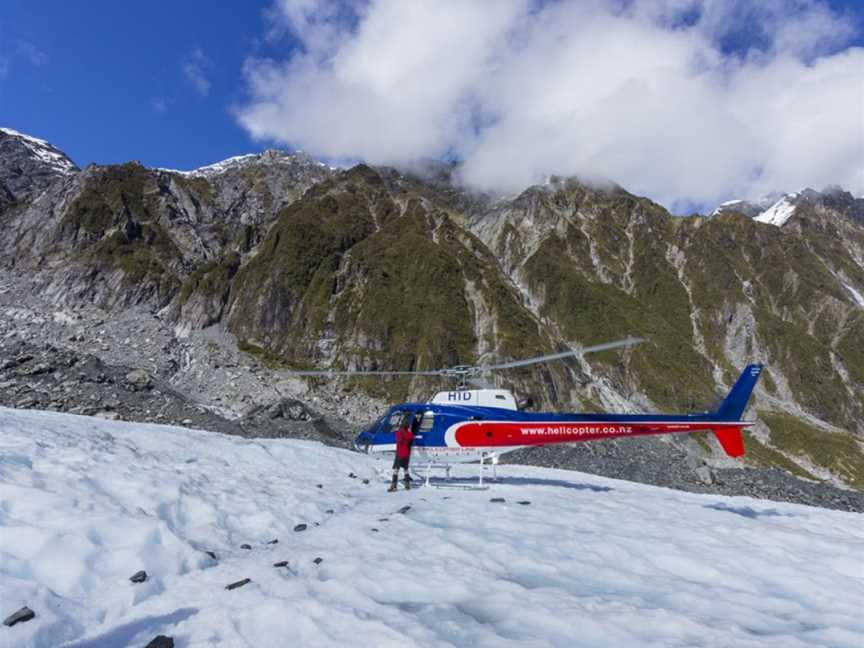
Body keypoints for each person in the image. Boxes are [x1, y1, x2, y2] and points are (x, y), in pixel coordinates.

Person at [388, 413, 416, 492]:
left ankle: (394, 486)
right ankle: (407, 485)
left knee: (396, 470)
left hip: (400, 454)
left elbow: (396, 436)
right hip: (406, 454)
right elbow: (411, 437)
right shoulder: (409, 434)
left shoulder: (399, 433)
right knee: (405, 469)